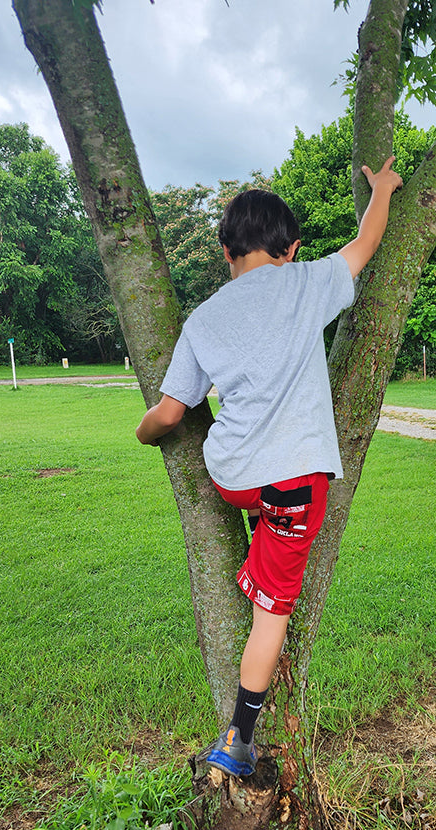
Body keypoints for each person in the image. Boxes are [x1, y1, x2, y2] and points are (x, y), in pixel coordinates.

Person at [136, 157, 403, 777]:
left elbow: (171, 414)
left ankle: (260, 553)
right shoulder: (309, 283)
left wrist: (142, 431)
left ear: (226, 253)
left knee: (266, 521)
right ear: (291, 250)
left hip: (231, 478)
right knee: (272, 612)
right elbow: (365, 242)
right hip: (292, 482)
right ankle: (239, 738)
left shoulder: (203, 318)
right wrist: (383, 190)